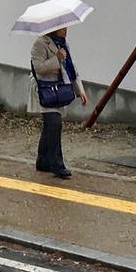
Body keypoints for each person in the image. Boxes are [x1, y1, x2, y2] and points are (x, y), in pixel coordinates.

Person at [29, 26, 87, 178]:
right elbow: (39, 68)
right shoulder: (40, 43)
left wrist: (80, 89)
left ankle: (42, 161)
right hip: (44, 89)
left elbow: (71, 68)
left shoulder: (63, 44)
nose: (65, 30)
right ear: (53, 28)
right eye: (62, 28)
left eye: (66, 27)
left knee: (50, 125)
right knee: (54, 123)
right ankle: (57, 165)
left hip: (58, 89)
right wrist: (57, 59)